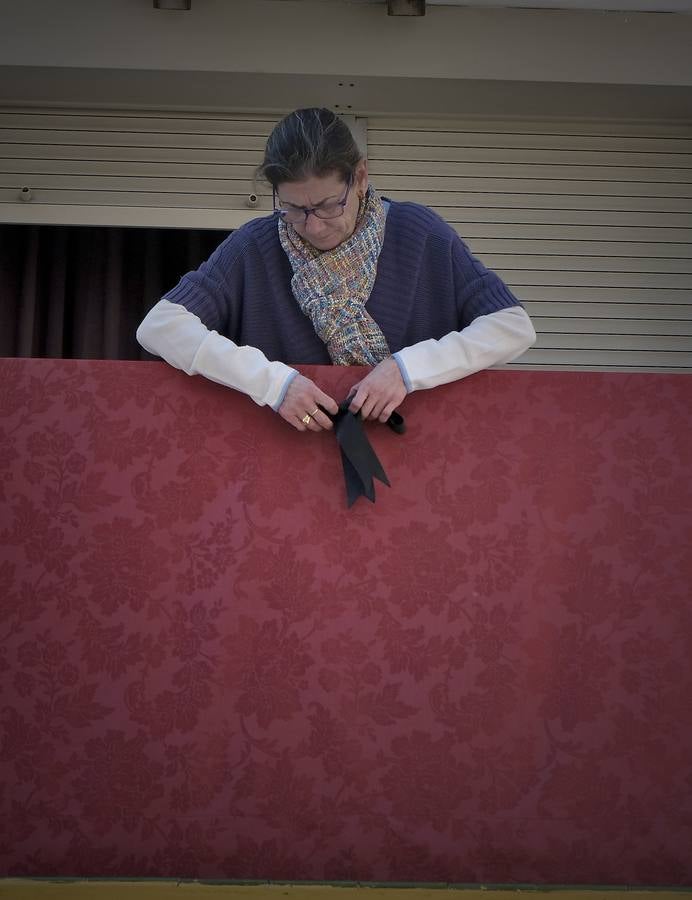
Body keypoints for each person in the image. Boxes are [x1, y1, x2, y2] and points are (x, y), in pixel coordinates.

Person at [137, 107, 536, 432]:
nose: (312, 225)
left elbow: (511, 327)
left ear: (360, 178)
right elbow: (161, 326)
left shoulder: (420, 233)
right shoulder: (254, 245)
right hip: (279, 465)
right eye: (293, 208)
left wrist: (407, 369)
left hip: (417, 460)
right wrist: (272, 383)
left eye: (329, 205)